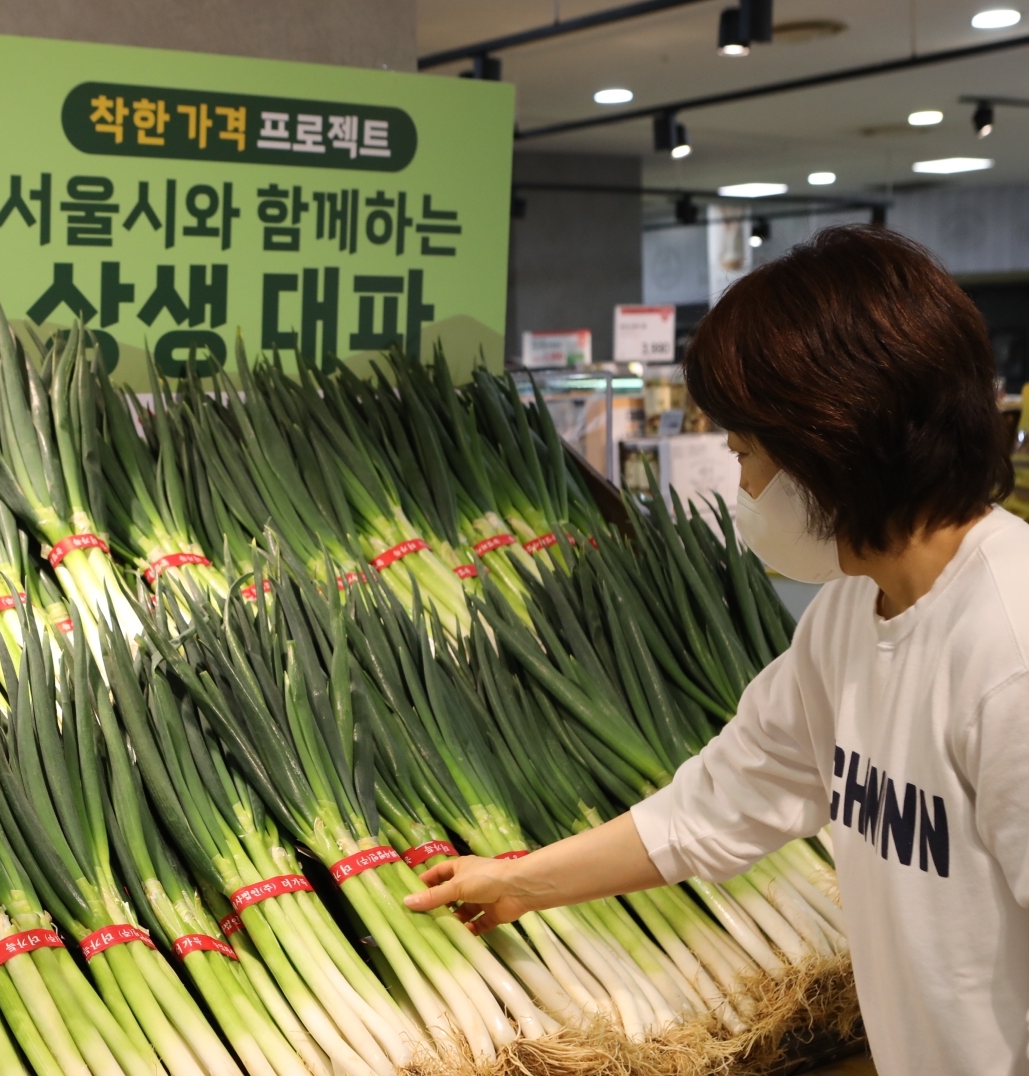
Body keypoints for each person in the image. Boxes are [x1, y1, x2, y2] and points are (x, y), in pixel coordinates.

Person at [406, 225, 1027, 1076]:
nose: (739, 486)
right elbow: (720, 802)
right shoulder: (848, 615)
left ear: (831, 442)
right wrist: (517, 883)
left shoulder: (1009, 654)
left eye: (744, 452)